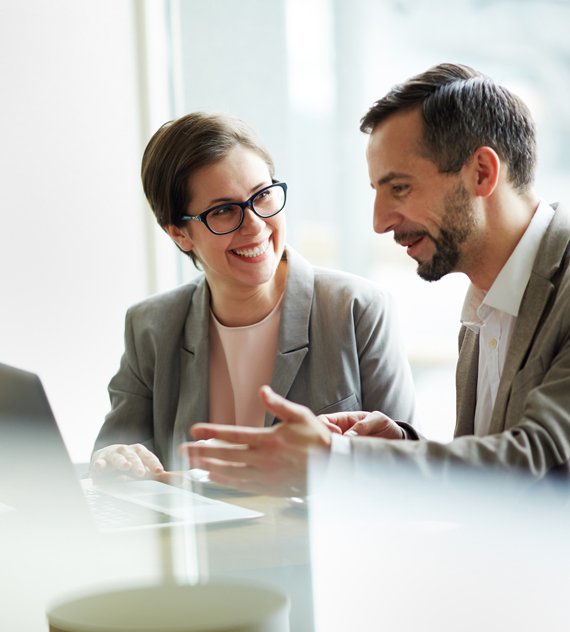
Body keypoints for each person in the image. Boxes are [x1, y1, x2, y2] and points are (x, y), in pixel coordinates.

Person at [182, 63, 570, 496]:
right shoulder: (488, 303)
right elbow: (489, 481)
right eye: (377, 192)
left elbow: (538, 460)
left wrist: (338, 462)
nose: (380, 222)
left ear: (481, 172)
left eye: (399, 188)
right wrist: (399, 446)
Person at [90, 112, 415, 479]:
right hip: (197, 536)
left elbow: (405, 469)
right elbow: (113, 453)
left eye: (261, 196)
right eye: (225, 211)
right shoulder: (150, 326)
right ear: (179, 234)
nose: (256, 225)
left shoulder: (357, 310)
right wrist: (117, 460)